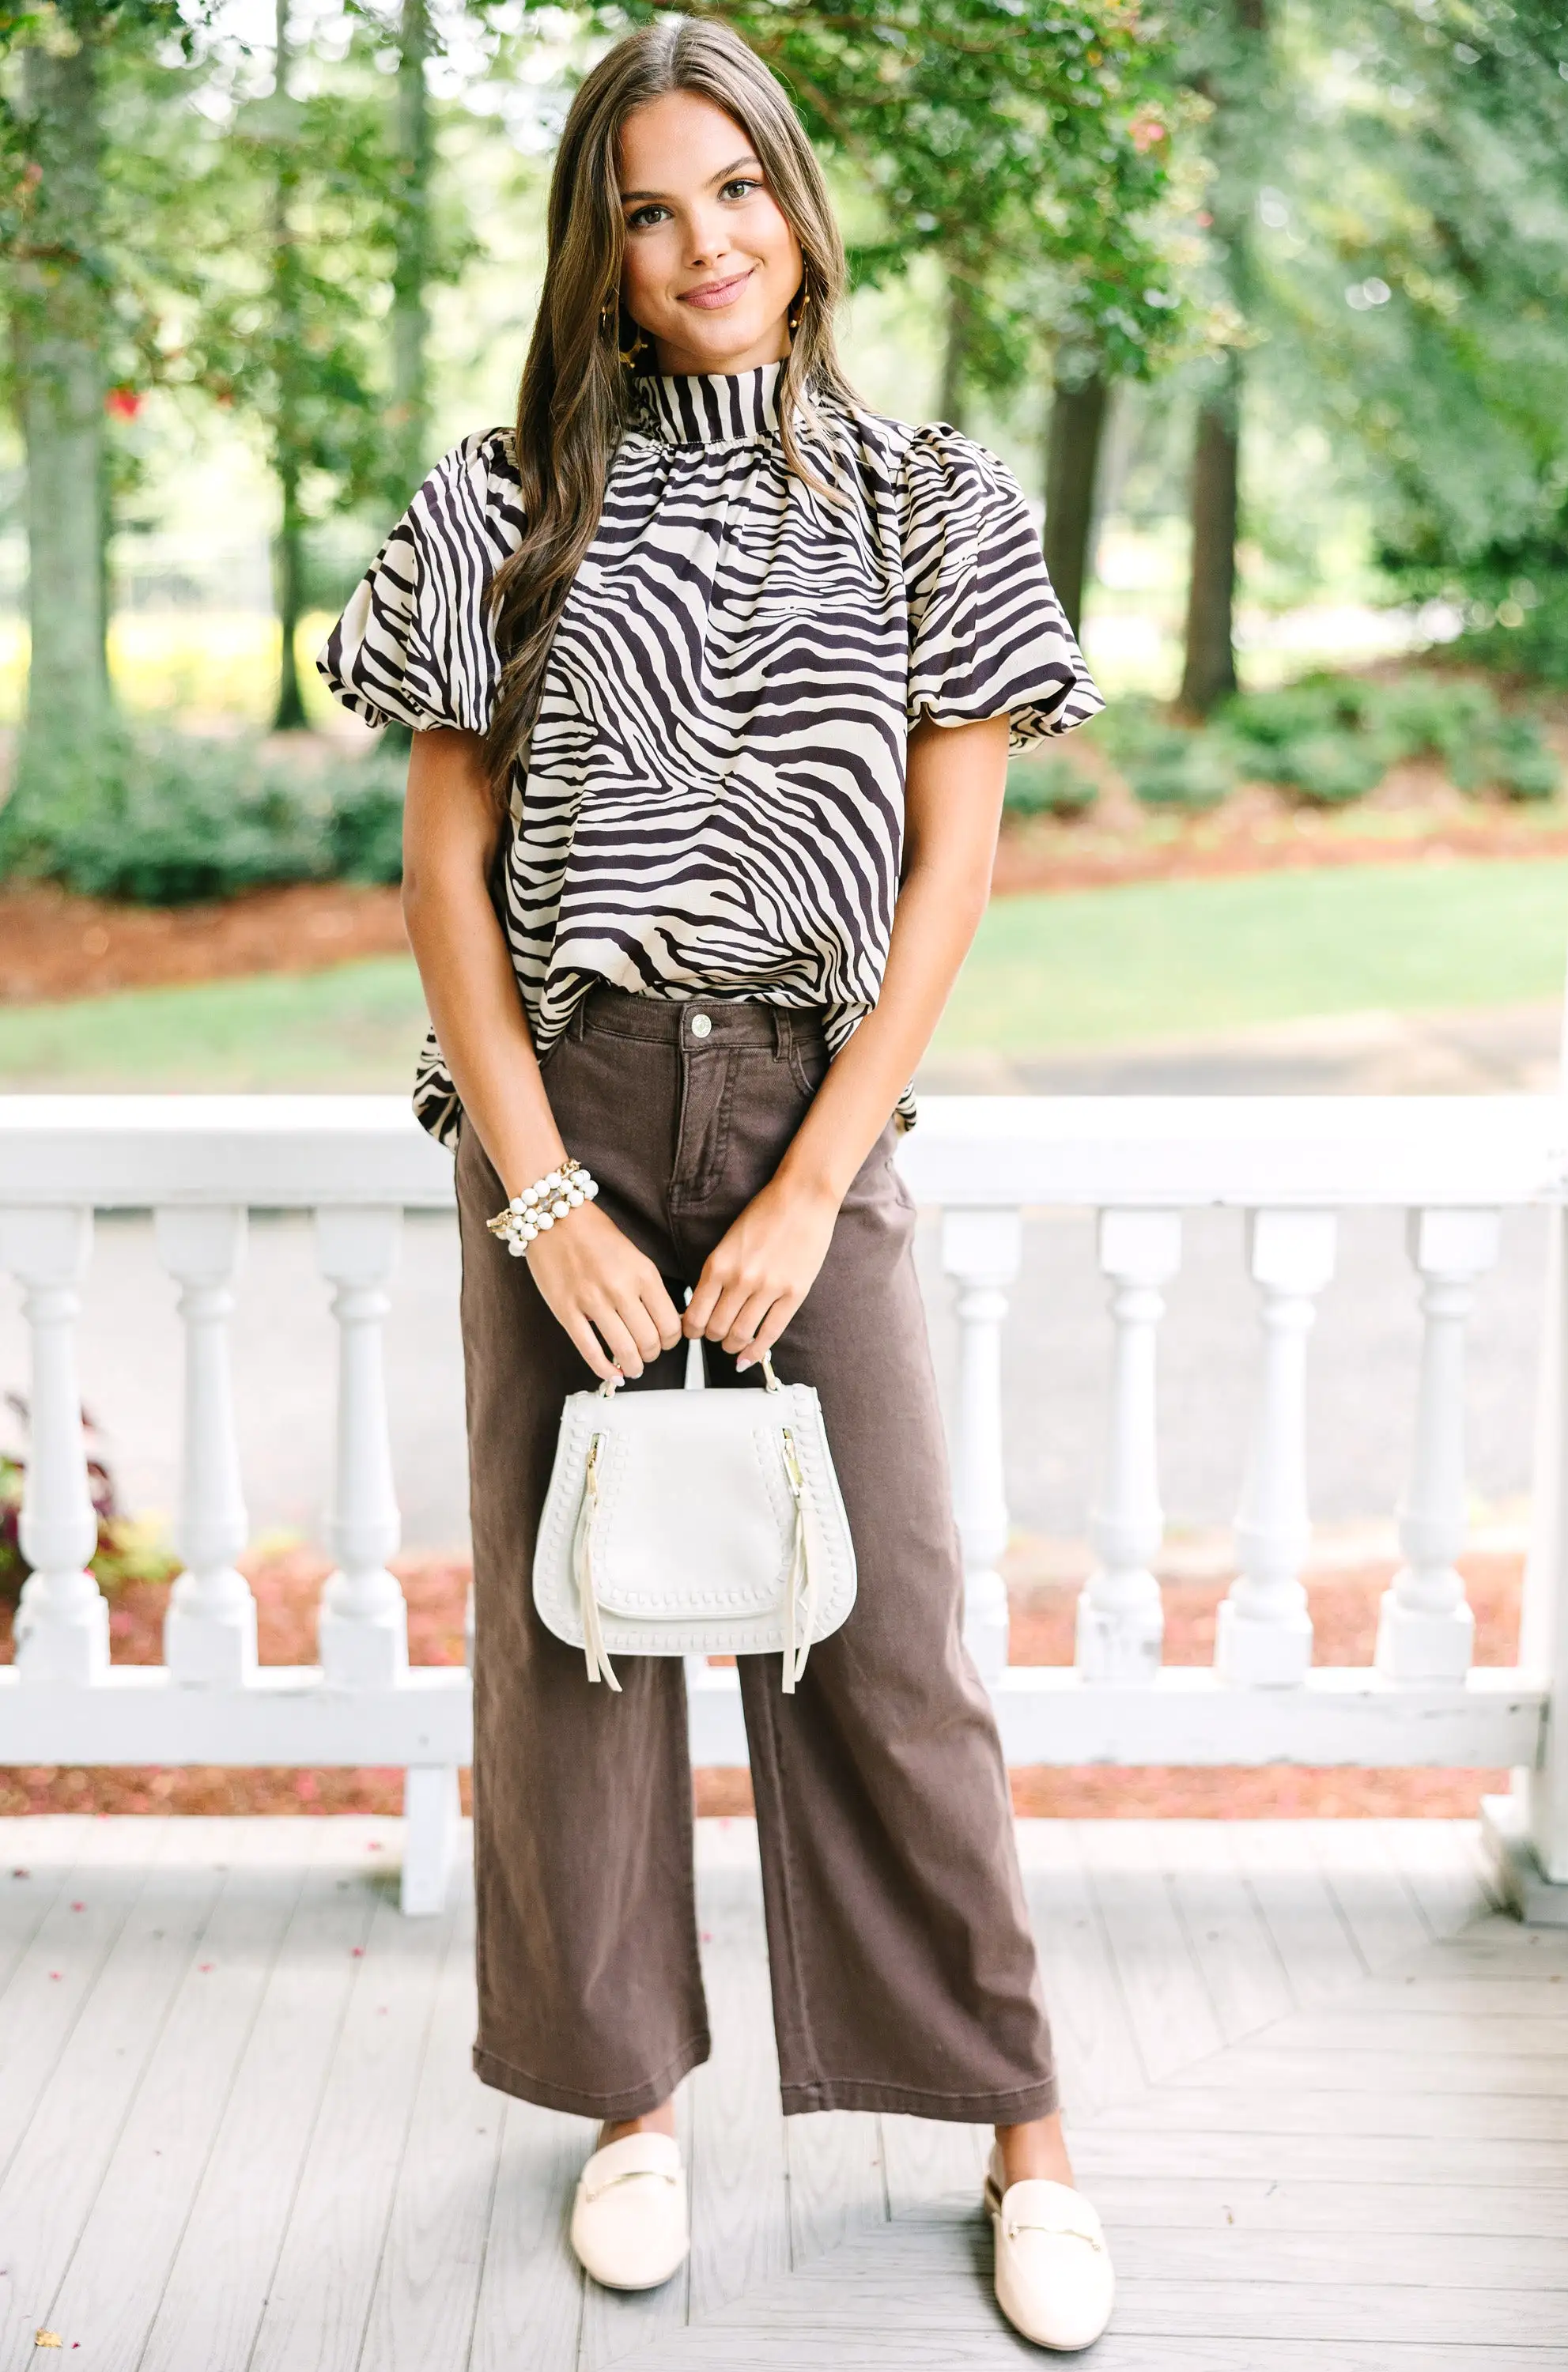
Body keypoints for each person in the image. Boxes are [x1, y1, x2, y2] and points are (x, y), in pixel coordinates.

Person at [319, 16, 1111, 2351]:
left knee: (891, 1638)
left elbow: (949, 884)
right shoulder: (499, 503)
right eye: (649, 209)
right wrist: (543, 1195)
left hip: (810, 1109)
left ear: (797, 194)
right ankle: (629, 2105)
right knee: (570, 1638)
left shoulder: (933, 500)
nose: (703, 246)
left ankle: (1022, 2124)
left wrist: (800, 1190)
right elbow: (445, 874)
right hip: (562, 1103)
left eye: (735, 189)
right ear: (599, 242)